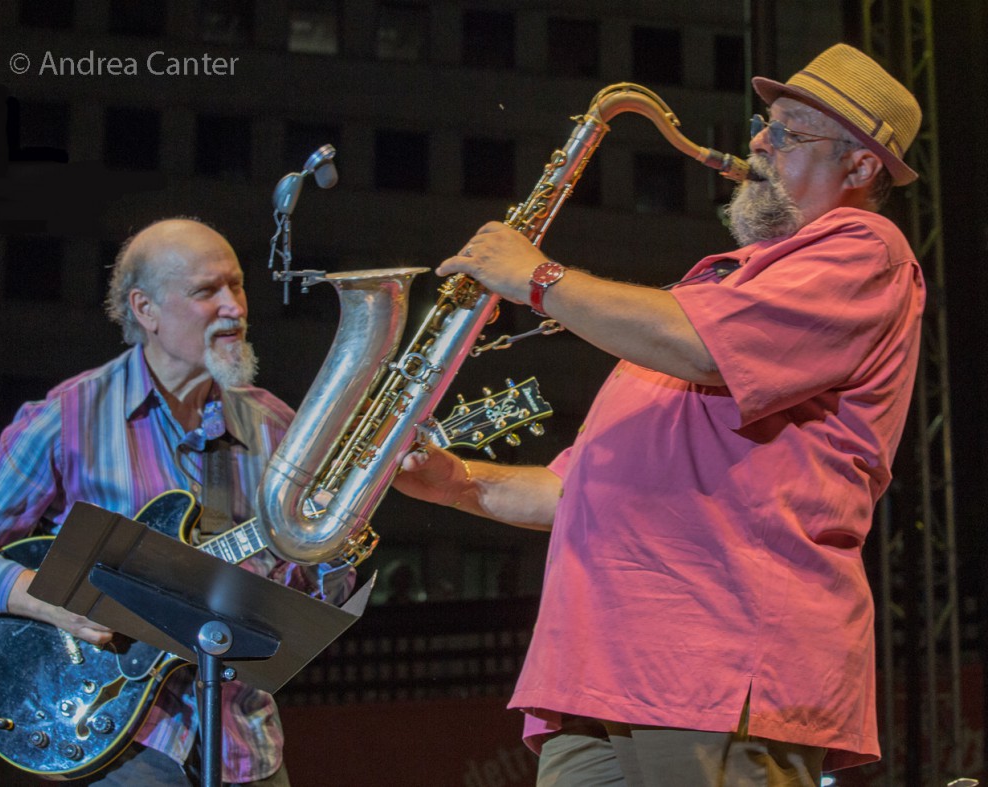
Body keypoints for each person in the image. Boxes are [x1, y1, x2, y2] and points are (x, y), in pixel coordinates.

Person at [394, 43, 925, 786]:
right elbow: (576, 490)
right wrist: (458, 483)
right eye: (764, 124)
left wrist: (536, 277)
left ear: (862, 166)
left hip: (716, 662)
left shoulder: (865, 249)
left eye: (790, 133)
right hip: (598, 672)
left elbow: (705, 349)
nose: (759, 144)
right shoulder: (710, 294)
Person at [0, 218, 353, 785]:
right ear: (144, 309)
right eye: (206, 291)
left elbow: (316, 597)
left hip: (245, 742)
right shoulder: (70, 417)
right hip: (114, 735)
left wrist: (338, 546)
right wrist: (43, 598)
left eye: (238, 286)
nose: (234, 308)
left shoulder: (275, 427)